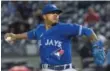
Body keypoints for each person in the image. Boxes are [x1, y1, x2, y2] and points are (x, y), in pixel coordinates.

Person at [4, 4, 105, 71]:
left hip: (66, 69)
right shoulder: (40, 30)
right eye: (52, 13)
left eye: (57, 13)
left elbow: (88, 31)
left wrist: (97, 46)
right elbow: (29, 34)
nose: (56, 15)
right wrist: (14, 36)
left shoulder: (65, 27)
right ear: (44, 16)